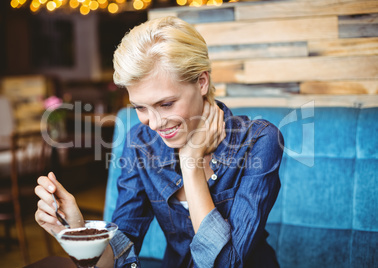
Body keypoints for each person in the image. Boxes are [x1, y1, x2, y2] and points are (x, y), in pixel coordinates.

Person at [35, 16, 284, 268]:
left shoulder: (259, 140)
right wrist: (78, 231)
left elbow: (227, 264)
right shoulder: (140, 142)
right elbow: (121, 250)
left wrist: (191, 163)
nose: (154, 124)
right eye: (140, 107)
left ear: (201, 82)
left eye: (166, 104)